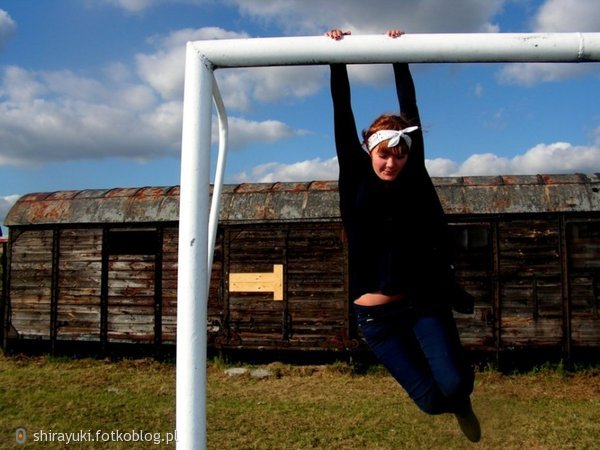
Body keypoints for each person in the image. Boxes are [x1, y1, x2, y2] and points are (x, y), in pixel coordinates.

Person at [327, 28, 481, 443]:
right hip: (376, 319)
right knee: (432, 402)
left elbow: (410, 109)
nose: (391, 163)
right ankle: (452, 400)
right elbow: (342, 111)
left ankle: (461, 394)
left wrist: (400, 55)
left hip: (421, 303)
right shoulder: (354, 176)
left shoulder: (412, 178)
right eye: (384, 154)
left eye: (399, 154)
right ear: (369, 150)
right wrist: (336, 55)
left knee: (454, 386)